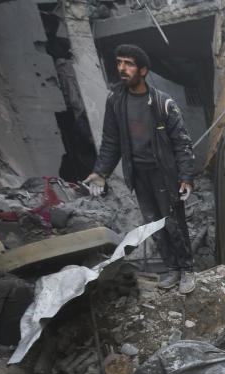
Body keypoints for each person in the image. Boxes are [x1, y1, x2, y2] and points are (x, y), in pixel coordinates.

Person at [84, 44, 197, 294]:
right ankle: (172, 269)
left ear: (143, 70)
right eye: (119, 62)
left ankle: (187, 269)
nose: (122, 68)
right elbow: (111, 141)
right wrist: (101, 172)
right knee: (153, 225)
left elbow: (182, 144)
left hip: (164, 174)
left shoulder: (162, 103)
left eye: (129, 63)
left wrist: (186, 177)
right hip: (138, 174)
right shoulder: (116, 101)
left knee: (174, 225)